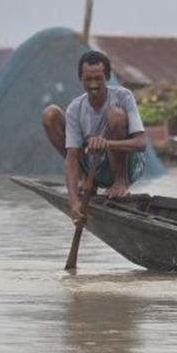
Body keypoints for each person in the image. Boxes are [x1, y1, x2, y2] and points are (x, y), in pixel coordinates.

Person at [41, 50, 148, 228]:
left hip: (128, 166)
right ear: (80, 78)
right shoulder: (76, 108)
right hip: (95, 166)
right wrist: (74, 203)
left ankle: (119, 182)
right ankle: (87, 182)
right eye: (88, 80)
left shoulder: (123, 96)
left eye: (98, 79)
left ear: (107, 76)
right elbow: (72, 157)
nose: (93, 85)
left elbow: (141, 143)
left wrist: (106, 143)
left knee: (115, 114)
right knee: (50, 114)